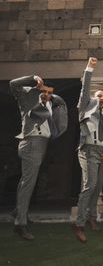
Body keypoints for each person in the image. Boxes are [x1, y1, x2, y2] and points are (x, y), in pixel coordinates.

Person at [10, 74, 67, 240]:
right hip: (31, 142)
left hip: (42, 143)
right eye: (44, 91)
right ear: (38, 88)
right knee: (28, 182)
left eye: (50, 93)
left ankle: (19, 212)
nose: (47, 95)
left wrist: (52, 96)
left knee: (27, 181)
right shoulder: (27, 97)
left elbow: (59, 104)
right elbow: (13, 83)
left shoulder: (51, 103)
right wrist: (33, 79)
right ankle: (20, 224)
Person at [72, 57, 103, 243]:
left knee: (97, 187)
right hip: (88, 151)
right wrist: (89, 69)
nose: (102, 98)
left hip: (102, 153)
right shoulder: (85, 108)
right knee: (89, 186)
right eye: (99, 95)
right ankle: (79, 224)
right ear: (93, 98)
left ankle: (91, 217)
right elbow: (84, 91)